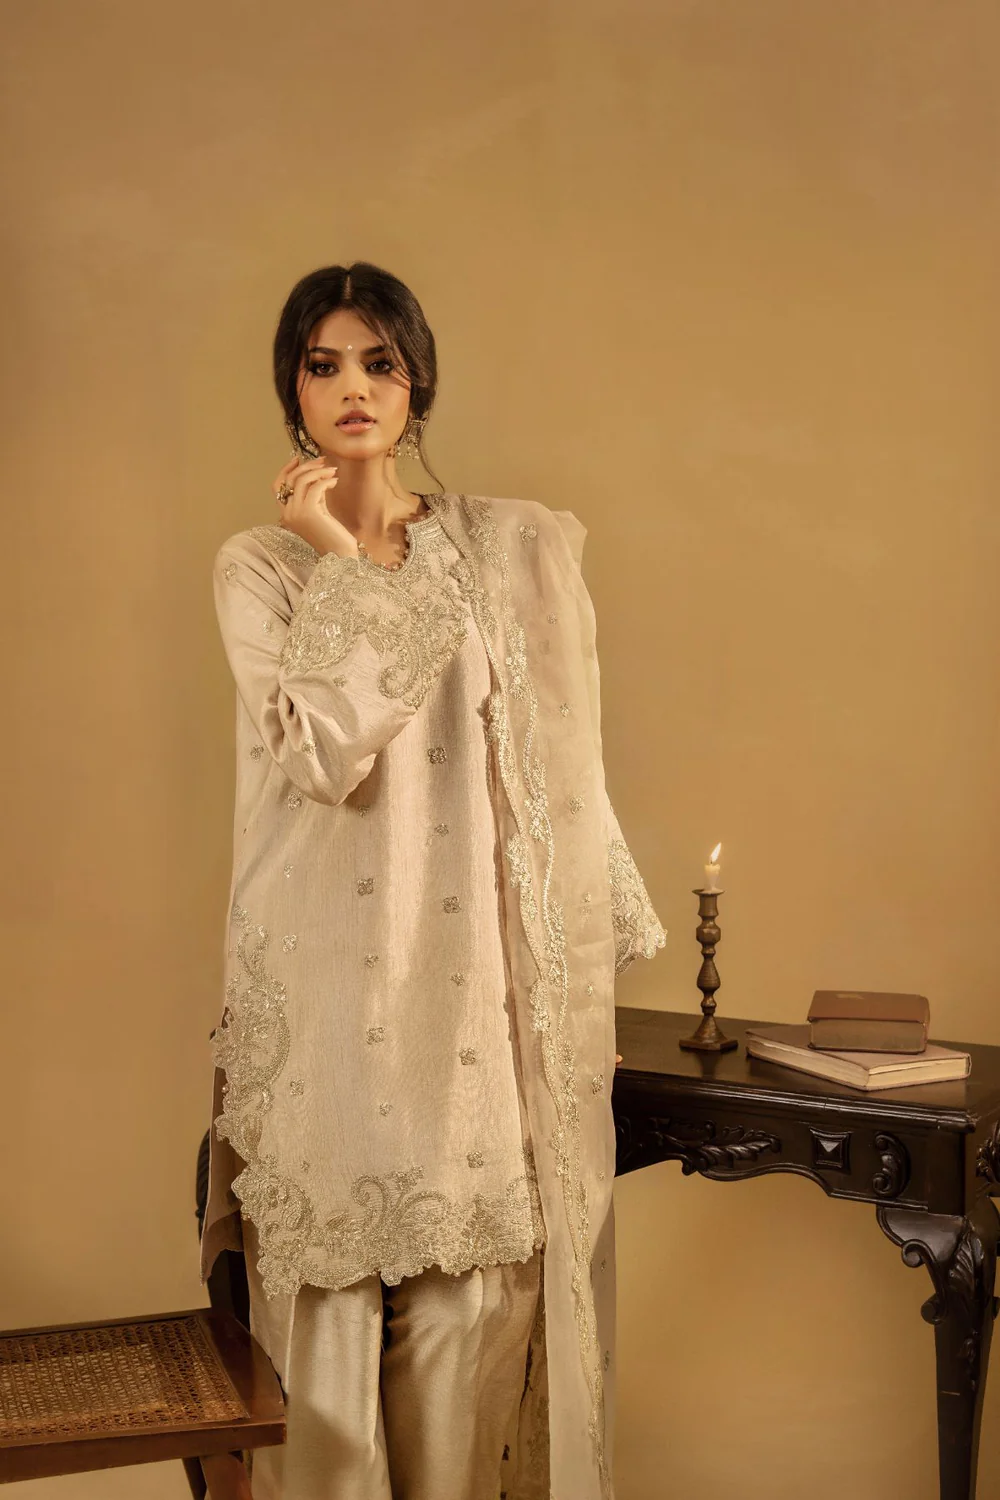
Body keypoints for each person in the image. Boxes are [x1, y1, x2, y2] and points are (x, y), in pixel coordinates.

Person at [198, 261, 666, 1500]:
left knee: (468, 1329)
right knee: (328, 1346)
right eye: (323, 365)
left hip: (470, 997)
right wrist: (339, 559)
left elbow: (559, 766)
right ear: (293, 392)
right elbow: (322, 757)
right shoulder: (262, 566)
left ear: (419, 387)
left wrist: (582, 968)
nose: (352, 387)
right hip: (323, 983)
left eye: (380, 363)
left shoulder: (504, 549)